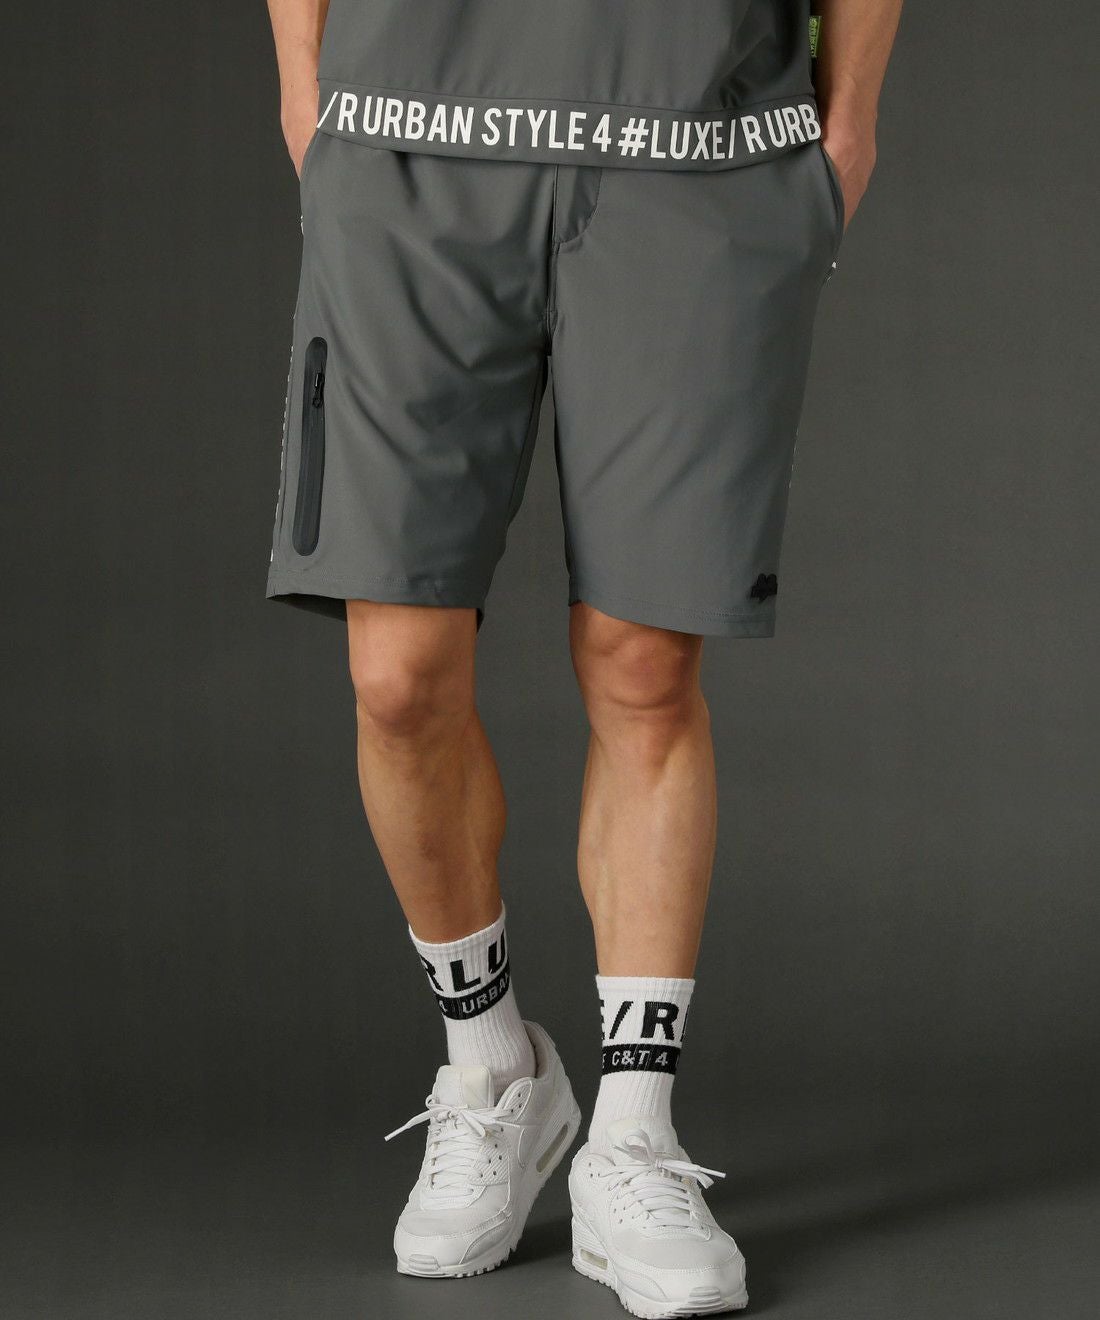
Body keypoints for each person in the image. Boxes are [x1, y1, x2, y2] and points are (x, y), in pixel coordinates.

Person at [263, 1, 901, 1313]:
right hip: (408, 135)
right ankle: (493, 1064)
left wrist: (846, 126)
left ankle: (635, 1134)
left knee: (644, 664)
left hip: (697, 146)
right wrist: (305, 91)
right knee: (397, 676)